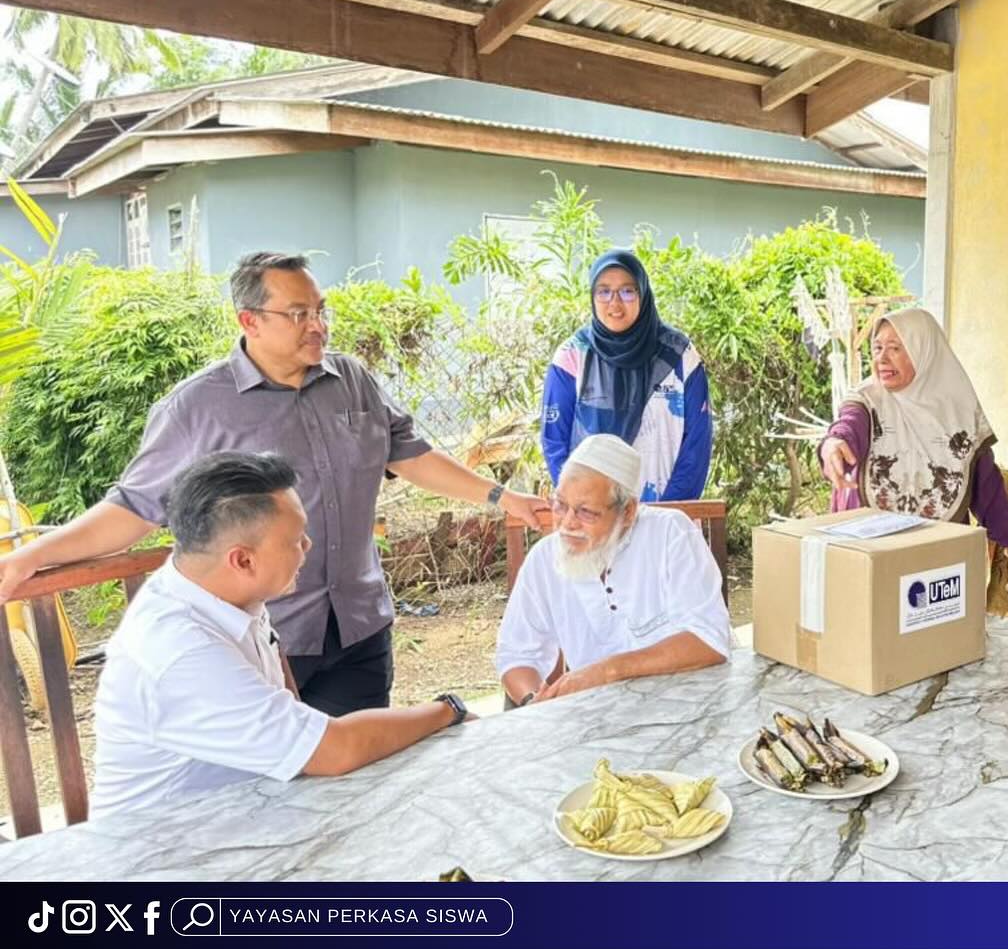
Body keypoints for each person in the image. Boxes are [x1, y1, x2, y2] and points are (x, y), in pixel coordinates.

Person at [0, 252, 546, 715]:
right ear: (250, 320)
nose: (318, 325)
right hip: (258, 634)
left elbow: (410, 455)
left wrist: (504, 498)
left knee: (363, 784)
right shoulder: (197, 407)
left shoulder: (352, 379)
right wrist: (34, 556)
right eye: (298, 313)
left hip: (358, 626)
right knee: (270, 789)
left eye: (320, 311)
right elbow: (134, 508)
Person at [91, 452, 469, 819]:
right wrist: (448, 710)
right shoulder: (180, 648)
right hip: (163, 852)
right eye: (296, 540)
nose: (307, 547)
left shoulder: (222, 591)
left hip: (238, 814)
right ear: (243, 560)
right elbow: (333, 750)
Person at [497, 434, 729, 705]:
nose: (568, 523)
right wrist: (535, 702)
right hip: (597, 719)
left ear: (628, 512)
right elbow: (517, 655)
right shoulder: (544, 559)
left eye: (586, 512)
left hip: (687, 707)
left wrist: (608, 671)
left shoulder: (670, 534)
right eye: (560, 504)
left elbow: (708, 641)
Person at [818, 307, 1008, 603]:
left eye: (895, 348)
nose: (882, 358)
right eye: (877, 348)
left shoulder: (959, 411)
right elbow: (847, 427)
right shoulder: (867, 399)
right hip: (868, 555)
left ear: (924, 351)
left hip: (937, 564)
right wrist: (832, 443)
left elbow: (986, 487)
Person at [540, 249, 712, 501]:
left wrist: (667, 514)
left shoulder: (679, 354)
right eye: (604, 291)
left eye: (628, 291)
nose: (615, 302)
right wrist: (585, 507)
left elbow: (697, 445)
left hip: (666, 518)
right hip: (593, 520)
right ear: (592, 296)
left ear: (643, 293)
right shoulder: (573, 356)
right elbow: (555, 444)